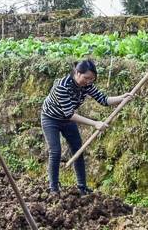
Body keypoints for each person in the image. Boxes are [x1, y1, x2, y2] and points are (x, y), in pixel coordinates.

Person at [41, 58, 133, 194]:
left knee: (77, 149)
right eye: (86, 78)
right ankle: (53, 188)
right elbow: (70, 114)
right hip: (51, 119)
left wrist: (122, 97)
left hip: (67, 120)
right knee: (55, 151)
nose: (89, 81)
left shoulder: (87, 85)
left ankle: (82, 187)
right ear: (77, 73)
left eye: (92, 79)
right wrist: (95, 123)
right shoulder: (62, 86)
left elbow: (103, 100)